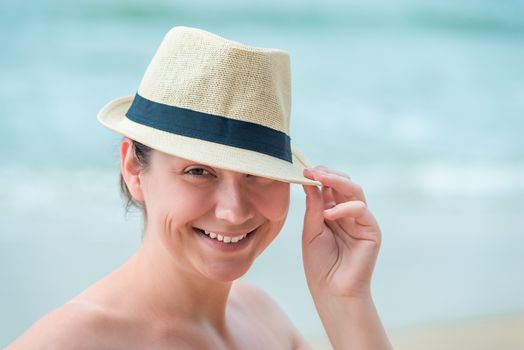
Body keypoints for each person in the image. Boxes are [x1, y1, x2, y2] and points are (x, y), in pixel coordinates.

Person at [8, 26, 393, 349]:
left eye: (256, 174)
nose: (234, 210)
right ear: (133, 169)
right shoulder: (70, 342)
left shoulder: (264, 320)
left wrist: (345, 302)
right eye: (197, 171)